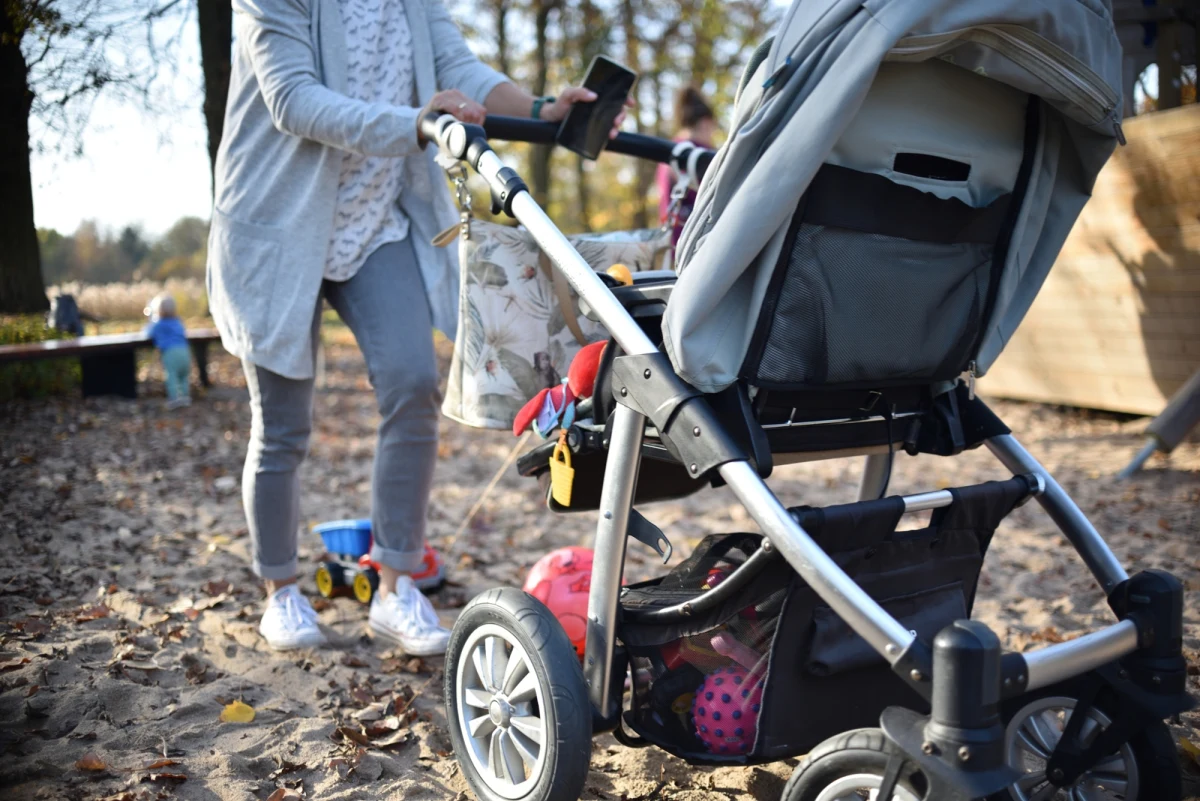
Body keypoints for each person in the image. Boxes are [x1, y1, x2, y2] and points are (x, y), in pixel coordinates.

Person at [208, 0, 627, 655]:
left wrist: (541, 108)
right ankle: (280, 589)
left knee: (412, 384)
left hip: (376, 222)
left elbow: (457, 68)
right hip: (281, 224)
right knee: (283, 422)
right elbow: (293, 100)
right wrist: (418, 123)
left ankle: (397, 584)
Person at [657, 86, 719, 247]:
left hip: (673, 239)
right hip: (696, 243)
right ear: (706, 122)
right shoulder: (697, 155)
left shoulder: (671, 149)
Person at [143, 294, 192, 409]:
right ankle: (185, 396)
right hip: (185, 351)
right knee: (184, 376)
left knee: (172, 376)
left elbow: (147, 333)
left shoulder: (159, 324)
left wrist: (150, 320)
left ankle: (174, 397)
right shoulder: (178, 322)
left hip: (170, 352)